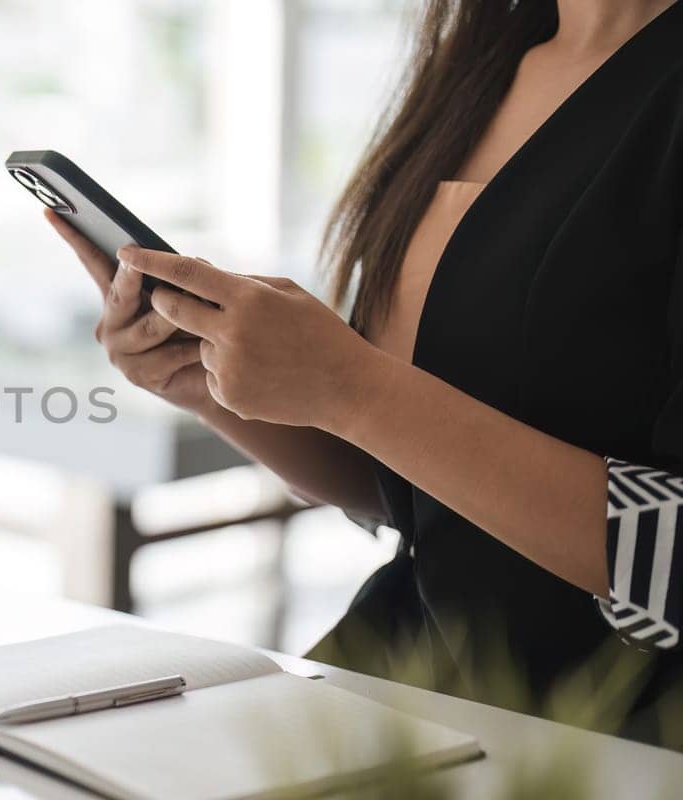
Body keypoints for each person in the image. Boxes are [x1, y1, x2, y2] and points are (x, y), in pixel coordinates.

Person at [48, 0, 683, 747]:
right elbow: (410, 491)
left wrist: (354, 388)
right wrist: (204, 374)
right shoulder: (486, 61)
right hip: (411, 691)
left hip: (606, 740)